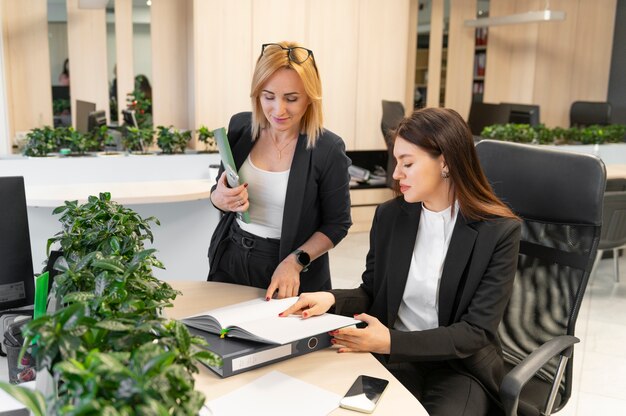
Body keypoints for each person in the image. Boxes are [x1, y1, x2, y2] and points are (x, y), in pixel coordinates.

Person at [280, 107, 521, 415]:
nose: (395, 174)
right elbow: (373, 292)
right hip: (394, 358)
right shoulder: (391, 216)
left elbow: (475, 332)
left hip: (459, 367)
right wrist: (329, 298)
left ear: (445, 163)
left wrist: (389, 342)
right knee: (349, 410)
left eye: (407, 163)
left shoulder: (498, 232)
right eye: (396, 162)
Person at [208, 41, 352, 300]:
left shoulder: (327, 149)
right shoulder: (240, 126)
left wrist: (295, 262)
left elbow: (337, 224)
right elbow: (220, 191)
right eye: (268, 96)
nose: (278, 110)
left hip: (290, 271)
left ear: (310, 97)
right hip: (231, 256)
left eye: (291, 98)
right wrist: (218, 199)